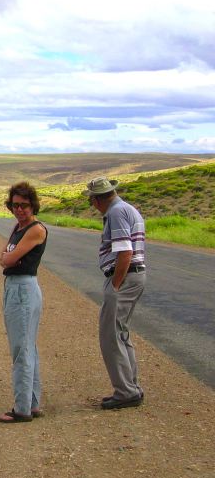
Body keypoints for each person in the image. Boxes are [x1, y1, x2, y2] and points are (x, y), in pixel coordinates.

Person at [84, 176, 146, 410]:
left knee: (110, 335)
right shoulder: (128, 209)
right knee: (121, 333)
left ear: (98, 199)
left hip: (125, 277)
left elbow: (124, 252)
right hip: (134, 276)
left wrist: (116, 284)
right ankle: (131, 387)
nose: (93, 205)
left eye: (92, 200)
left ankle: (125, 392)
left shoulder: (116, 213)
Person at [0, 182, 48, 423]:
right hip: (16, 287)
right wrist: (8, 258)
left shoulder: (35, 230)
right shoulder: (19, 228)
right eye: (15, 205)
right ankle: (32, 403)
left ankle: (22, 408)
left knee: (22, 350)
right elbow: (3, 257)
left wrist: (9, 258)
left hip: (23, 289)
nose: (19, 210)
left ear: (33, 205)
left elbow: (9, 257)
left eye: (24, 205)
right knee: (28, 347)